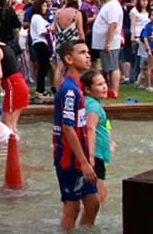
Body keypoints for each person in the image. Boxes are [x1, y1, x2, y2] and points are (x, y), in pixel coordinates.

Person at [52, 40, 99, 230]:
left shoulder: (77, 86)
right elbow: (68, 127)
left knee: (93, 203)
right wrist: (83, 161)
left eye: (88, 52)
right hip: (69, 159)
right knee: (72, 208)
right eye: (82, 52)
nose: (88, 55)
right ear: (69, 59)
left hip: (79, 157)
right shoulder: (69, 90)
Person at [80, 70, 114, 204]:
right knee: (99, 196)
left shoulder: (89, 102)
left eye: (104, 83)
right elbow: (90, 128)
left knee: (100, 192)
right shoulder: (93, 106)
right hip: (96, 155)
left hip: (95, 154)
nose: (105, 87)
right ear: (88, 89)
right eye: (99, 85)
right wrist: (91, 156)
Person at [91, 0, 123, 99]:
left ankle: (114, 91)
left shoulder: (113, 6)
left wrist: (108, 43)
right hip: (102, 42)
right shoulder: (108, 5)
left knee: (112, 67)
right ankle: (111, 89)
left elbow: (113, 25)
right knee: (107, 67)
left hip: (110, 43)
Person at [28, 0, 52, 100]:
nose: (46, 8)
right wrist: (51, 29)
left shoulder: (38, 18)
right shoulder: (37, 17)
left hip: (41, 43)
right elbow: (41, 31)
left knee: (44, 66)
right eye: (44, 6)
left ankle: (41, 89)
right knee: (43, 66)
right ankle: (40, 89)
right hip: (40, 42)